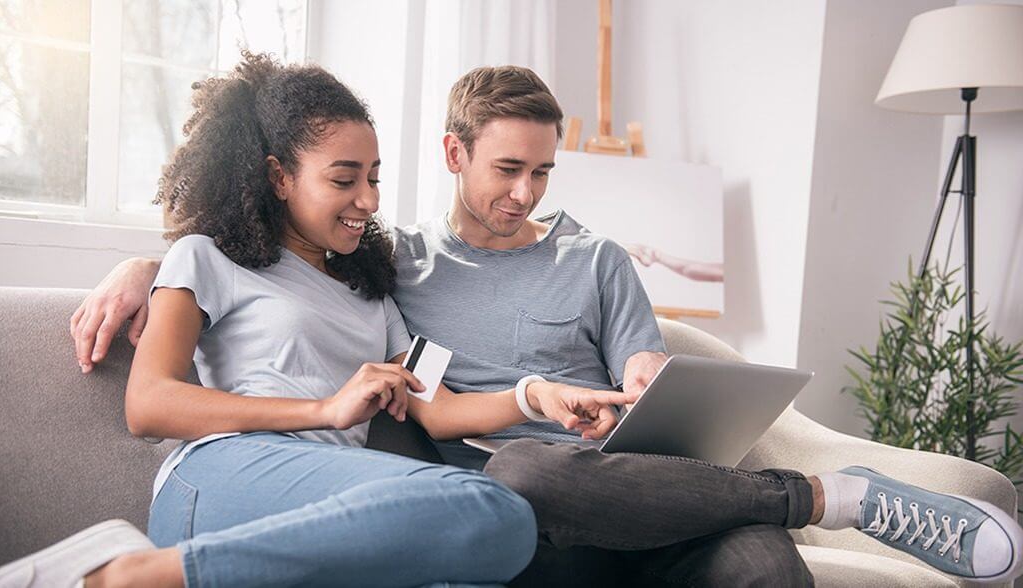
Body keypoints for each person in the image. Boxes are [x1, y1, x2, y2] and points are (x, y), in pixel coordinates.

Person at [65, 65, 1023, 586]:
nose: (523, 195)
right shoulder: (313, 262)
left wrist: (585, 388)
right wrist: (143, 262)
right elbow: (159, 395)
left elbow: (465, 404)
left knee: (738, 564)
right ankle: (826, 497)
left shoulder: (392, 283)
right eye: (504, 170)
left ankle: (798, 506)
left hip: (585, 495)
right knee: (509, 487)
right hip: (317, 484)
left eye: (542, 174)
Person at [0, 54, 639, 588]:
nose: (367, 200)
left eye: (374, 178)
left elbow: (438, 409)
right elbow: (150, 404)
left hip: (329, 508)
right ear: (279, 177)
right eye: (343, 179)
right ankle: (127, 576)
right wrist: (323, 411)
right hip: (221, 478)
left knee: (479, 559)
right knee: (494, 508)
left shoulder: (374, 293)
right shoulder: (206, 260)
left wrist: (536, 396)